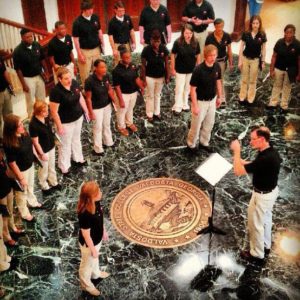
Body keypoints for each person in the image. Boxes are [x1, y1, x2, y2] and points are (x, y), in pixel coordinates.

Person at [230, 126, 281, 265]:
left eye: (253, 139)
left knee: (256, 224)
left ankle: (257, 255)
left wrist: (237, 151)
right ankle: (266, 245)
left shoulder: (266, 158)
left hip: (262, 196)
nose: (250, 142)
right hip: (270, 192)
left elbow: (238, 171)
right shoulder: (269, 151)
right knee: (266, 220)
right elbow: (255, 165)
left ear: (262, 139)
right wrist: (241, 161)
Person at [49, 67, 89, 175]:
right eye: (66, 78)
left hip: (78, 117)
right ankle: (64, 166)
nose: (69, 80)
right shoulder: (55, 92)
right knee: (65, 145)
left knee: (76, 139)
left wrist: (86, 111)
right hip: (65, 123)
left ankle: (78, 158)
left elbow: (80, 97)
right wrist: (59, 126)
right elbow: (54, 111)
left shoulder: (74, 83)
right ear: (59, 79)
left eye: (69, 77)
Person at [3, 114, 42, 222]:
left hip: (29, 165)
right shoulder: (9, 143)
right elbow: (12, 163)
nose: (22, 126)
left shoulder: (24, 134)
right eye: (19, 125)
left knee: (30, 186)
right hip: (21, 171)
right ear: (12, 129)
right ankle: (24, 213)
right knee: (21, 193)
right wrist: (21, 178)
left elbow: (30, 147)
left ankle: (32, 202)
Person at [186, 44, 222, 153]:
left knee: (209, 123)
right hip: (200, 102)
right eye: (210, 55)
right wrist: (195, 105)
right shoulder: (198, 70)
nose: (213, 57)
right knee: (196, 126)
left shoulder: (217, 66)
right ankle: (191, 144)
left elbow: (218, 81)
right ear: (205, 56)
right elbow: (192, 89)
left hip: (212, 100)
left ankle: (204, 142)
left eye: (215, 55)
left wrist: (220, 97)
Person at [77, 181, 109, 296]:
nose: (100, 193)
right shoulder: (84, 214)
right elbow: (86, 235)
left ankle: (96, 274)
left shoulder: (96, 202)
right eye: (98, 192)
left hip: (97, 239)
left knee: (94, 260)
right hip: (89, 244)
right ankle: (86, 286)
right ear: (91, 197)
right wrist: (93, 250)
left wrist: (103, 231)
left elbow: (100, 217)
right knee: (86, 265)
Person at [13, 28, 47, 117]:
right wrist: (23, 84)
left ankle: (43, 116)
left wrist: (46, 72)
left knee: (42, 99)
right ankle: (32, 119)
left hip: (39, 76)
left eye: (31, 36)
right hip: (27, 78)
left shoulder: (36, 45)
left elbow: (42, 59)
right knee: (30, 101)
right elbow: (18, 69)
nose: (30, 38)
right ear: (22, 38)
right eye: (27, 37)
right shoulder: (17, 51)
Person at [84, 59, 115, 156]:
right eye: (102, 67)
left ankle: (108, 142)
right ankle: (98, 148)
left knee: (107, 124)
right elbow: (88, 98)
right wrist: (90, 112)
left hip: (106, 105)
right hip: (96, 108)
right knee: (97, 127)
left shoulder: (106, 76)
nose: (104, 69)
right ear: (95, 68)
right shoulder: (89, 81)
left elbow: (109, 89)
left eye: (105, 67)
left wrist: (115, 101)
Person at [267, 24, 300, 113]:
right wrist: (271, 70)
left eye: (291, 32)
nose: (289, 34)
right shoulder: (279, 42)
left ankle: (284, 105)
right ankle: (273, 103)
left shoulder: (297, 44)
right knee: (276, 86)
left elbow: (299, 60)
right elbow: (274, 56)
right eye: (287, 32)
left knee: (287, 87)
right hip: (279, 68)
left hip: (291, 70)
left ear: (294, 33)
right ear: (284, 33)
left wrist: (299, 74)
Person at [29, 101, 60, 195]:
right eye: (45, 111)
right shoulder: (33, 125)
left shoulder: (45, 119)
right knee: (44, 169)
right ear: (38, 112)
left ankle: (53, 181)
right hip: (43, 150)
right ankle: (44, 185)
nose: (47, 113)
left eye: (47, 110)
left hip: (50, 146)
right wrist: (41, 154)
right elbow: (35, 142)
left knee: (51, 166)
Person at [112, 46, 144, 136]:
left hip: (133, 92)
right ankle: (121, 126)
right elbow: (117, 87)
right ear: (121, 57)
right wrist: (121, 99)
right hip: (123, 94)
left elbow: (136, 78)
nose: (128, 59)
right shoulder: (116, 71)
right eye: (126, 57)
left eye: (129, 57)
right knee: (121, 111)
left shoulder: (132, 66)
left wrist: (141, 87)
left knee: (130, 109)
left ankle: (129, 123)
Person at [72, 0, 104, 86]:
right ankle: (87, 93)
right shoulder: (77, 22)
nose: (91, 11)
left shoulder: (95, 17)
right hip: (85, 51)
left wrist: (102, 42)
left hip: (96, 49)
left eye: (92, 9)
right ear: (83, 10)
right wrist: (79, 54)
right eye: (89, 9)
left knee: (99, 71)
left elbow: (99, 30)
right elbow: (76, 39)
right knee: (85, 75)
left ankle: (99, 89)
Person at [170, 24, 201, 115]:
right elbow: (172, 55)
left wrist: (198, 67)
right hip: (180, 69)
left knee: (187, 88)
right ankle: (178, 106)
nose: (188, 35)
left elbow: (198, 54)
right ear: (183, 33)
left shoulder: (195, 42)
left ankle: (185, 104)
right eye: (186, 33)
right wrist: (173, 68)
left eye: (190, 33)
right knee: (179, 88)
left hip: (191, 70)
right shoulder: (178, 42)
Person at [141, 30, 170, 122]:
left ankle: (157, 113)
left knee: (157, 95)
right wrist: (144, 79)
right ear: (151, 40)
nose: (157, 43)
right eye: (155, 41)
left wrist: (167, 76)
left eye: (158, 41)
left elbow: (167, 63)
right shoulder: (146, 50)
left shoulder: (163, 49)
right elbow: (143, 66)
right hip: (149, 77)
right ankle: (149, 114)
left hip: (160, 76)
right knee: (150, 96)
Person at [238, 15, 267, 105]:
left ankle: (250, 98)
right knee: (244, 79)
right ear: (251, 24)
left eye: (257, 23)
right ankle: (242, 97)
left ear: (259, 24)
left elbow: (264, 49)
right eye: (253, 23)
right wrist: (240, 60)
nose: (255, 25)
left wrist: (263, 61)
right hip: (245, 58)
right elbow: (241, 46)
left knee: (253, 80)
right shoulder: (246, 33)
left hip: (255, 60)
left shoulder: (262, 34)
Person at [205, 18, 233, 103]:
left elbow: (229, 50)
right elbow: (206, 50)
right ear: (215, 26)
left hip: (222, 61)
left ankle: (222, 97)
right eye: (218, 27)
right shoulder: (210, 37)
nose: (220, 28)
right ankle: (212, 96)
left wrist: (231, 63)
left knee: (220, 79)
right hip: (211, 61)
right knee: (211, 79)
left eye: (221, 26)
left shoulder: (227, 36)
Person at [108, 1, 136, 66]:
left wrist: (134, 42)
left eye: (123, 10)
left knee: (128, 63)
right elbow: (110, 37)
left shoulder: (127, 18)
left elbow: (131, 30)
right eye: (120, 11)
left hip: (127, 44)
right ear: (115, 10)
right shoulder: (112, 22)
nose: (122, 13)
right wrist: (114, 49)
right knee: (118, 64)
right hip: (118, 45)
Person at [0, 150, 18, 247]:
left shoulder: (2, 159)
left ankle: (12, 228)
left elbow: (6, 171)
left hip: (8, 188)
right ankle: (6, 236)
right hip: (1, 194)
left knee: (10, 210)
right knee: (4, 216)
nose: (2, 153)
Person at [0, 57, 13, 145]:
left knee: (9, 114)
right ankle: (1, 139)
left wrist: (10, 85)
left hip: (5, 89)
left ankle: (11, 134)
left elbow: (5, 71)